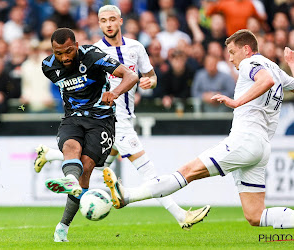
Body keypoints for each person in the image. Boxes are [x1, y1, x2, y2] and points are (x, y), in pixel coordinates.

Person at [34, 5, 207, 235]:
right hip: (115, 120)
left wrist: (150, 83)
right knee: (149, 172)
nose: (108, 24)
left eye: (112, 19)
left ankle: (51, 156)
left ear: (120, 21)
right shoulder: (91, 51)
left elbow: (150, 76)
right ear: (99, 23)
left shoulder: (136, 47)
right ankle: (180, 215)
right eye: (103, 20)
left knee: (95, 165)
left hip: (124, 117)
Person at [103, 30, 294, 229]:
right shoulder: (275, 68)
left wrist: (237, 102)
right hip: (262, 146)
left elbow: (265, 81)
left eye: (232, 52)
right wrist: (291, 64)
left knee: (187, 171)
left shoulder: (249, 63)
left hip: (245, 140)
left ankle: (127, 196)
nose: (229, 58)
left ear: (246, 50)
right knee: (255, 215)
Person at [40, 27, 139, 242]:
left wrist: (114, 92)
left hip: (101, 120)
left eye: (68, 51)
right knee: (70, 148)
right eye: (59, 53)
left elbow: (131, 76)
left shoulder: (92, 56)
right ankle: (70, 183)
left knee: (86, 167)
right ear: (52, 50)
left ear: (75, 46)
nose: (64, 57)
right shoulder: (48, 66)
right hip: (73, 118)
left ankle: (63, 225)